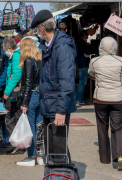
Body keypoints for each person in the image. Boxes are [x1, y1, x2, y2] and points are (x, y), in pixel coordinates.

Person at [31, 10, 77, 163]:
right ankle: (59, 175)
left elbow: (66, 82)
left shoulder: (62, 47)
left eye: (38, 29)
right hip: (49, 104)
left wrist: (61, 110)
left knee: (58, 150)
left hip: (57, 106)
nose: (38, 33)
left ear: (41, 28)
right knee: (54, 149)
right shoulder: (47, 45)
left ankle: (62, 175)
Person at [88, 37, 122, 171]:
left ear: (101, 47)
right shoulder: (121, 61)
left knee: (102, 127)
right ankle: (119, 156)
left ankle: (105, 158)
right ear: (114, 46)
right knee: (118, 127)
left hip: (100, 99)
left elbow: (90, 73)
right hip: (119, 99)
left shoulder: (95, 61)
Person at [16, 38, 44, 167]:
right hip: (41, 96)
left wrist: (24, 103)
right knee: (39, 127)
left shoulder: (28, 61)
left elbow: (27, 83)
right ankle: (40, 156)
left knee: (31, 128)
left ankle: (31, 157)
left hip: (32, 96)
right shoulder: (40, 60)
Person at [2, 37, 22, 148]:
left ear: (10, 48)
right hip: (14, 93)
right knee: (13, 118)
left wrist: (7, 92)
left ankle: (17, 145)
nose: (5, 53)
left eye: (5, 50)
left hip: (14, 93)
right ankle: (16, 145)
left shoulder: (16, 56)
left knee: (11, 119)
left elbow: (16, 75)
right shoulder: (15, 56)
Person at [75, 31, 92, 105]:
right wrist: (89, 46)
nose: (87, 37)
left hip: (78, 63)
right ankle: (80, 99)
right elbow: (88, 51)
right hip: (83, 63)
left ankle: (77, 99)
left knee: (80, 82)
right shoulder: (81, 43)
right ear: (84, 35)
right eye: (87, 35)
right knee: (82, 82)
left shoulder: (76, 42)